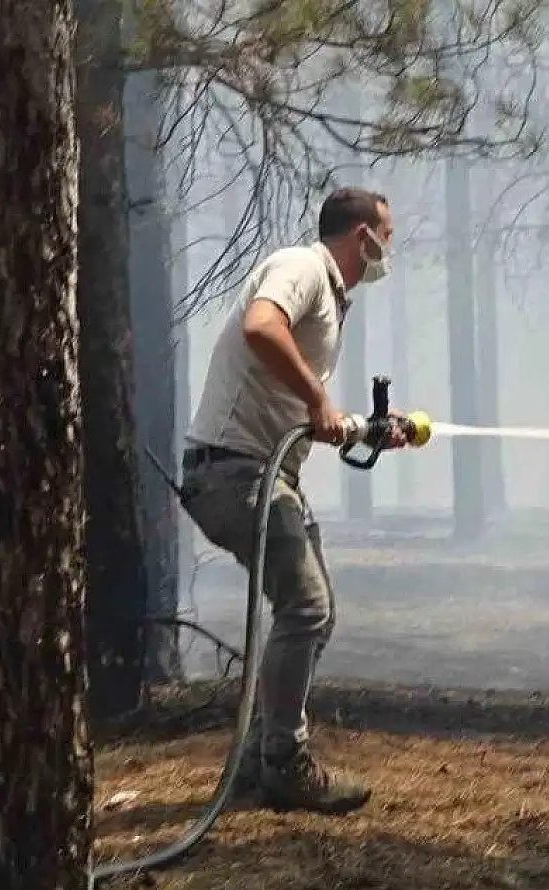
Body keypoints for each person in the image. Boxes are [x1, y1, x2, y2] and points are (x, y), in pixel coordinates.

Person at [182, 187, 402, 814]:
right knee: (305, 606)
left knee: (315, 612)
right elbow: (260, 326)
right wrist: (317, 400)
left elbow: (308, 410)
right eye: (387, 234)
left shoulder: (329, 297)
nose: (390, 249)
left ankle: (259, 760)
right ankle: (284, 760)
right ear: (362, 236)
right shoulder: (302, 266)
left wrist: (365, 427)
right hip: (234, 472)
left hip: (264, 472)